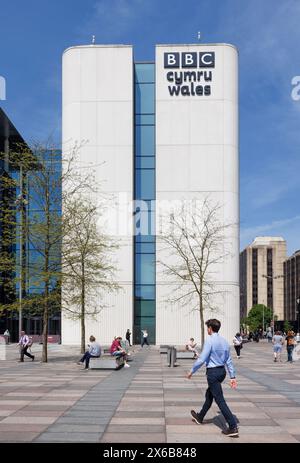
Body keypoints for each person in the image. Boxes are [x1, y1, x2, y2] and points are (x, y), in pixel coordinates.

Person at [187, 318, 238, 438]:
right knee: (209, 395)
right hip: (221, 372)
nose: (207, 330)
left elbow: (202, 358)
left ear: (210, 328)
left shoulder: (209, 340)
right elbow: (229, 360)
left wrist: (191, 371)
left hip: (213, 373)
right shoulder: (224, 341)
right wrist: (232, 376)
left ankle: (232, 426)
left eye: (207, 328)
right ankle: (200, 417)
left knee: (219, 399)